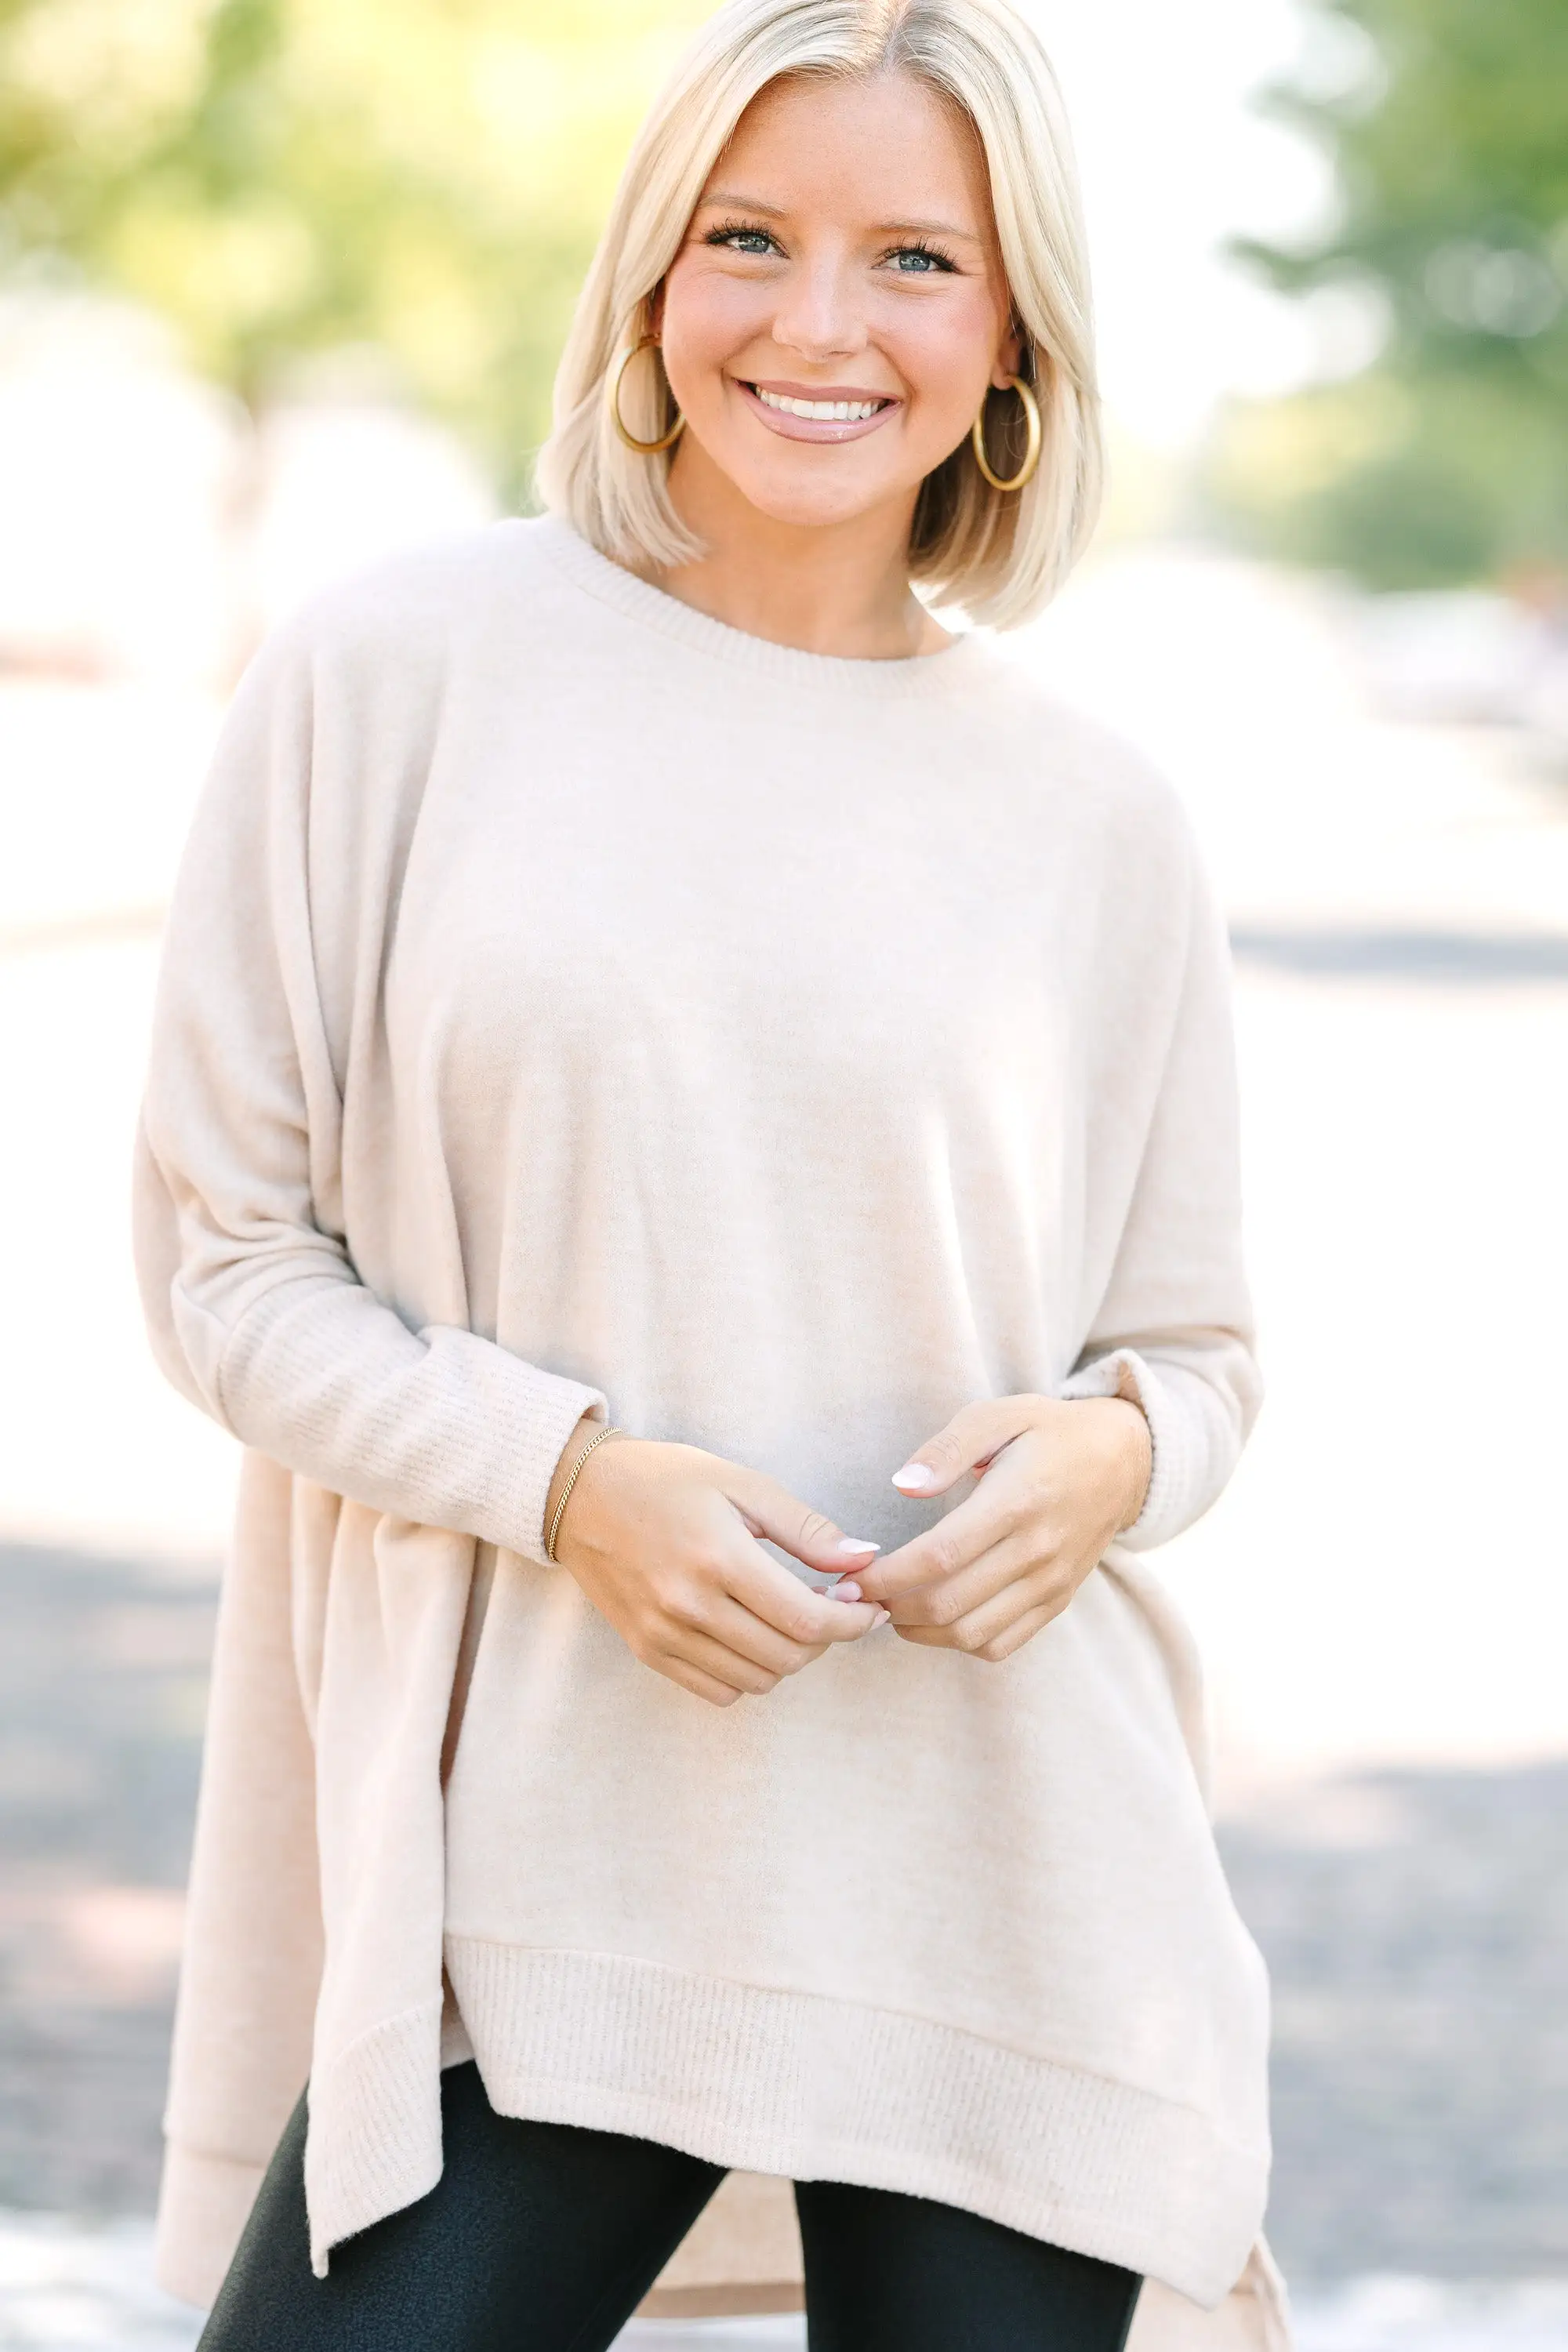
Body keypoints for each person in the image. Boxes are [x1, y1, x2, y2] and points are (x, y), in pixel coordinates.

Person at [133, 1, 1287, 2345]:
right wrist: (567, 1485)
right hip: (535, 1862)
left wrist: (1113, 1450)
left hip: (998, 1868)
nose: (818, 323)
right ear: (652, 281)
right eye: (748, 237)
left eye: (915, 260)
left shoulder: (1095, 811)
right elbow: (223, 1262)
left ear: (1015, 332)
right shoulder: (395, 676)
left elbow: (1197, 1358)